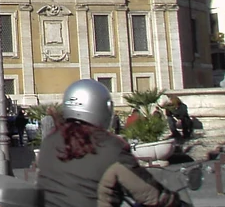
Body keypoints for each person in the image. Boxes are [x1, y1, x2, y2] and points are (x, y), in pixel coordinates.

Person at [37, 79, 180, 207]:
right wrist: (175, 201)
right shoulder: (110, 148)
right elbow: (151, 194)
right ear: (102, 107)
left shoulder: (50, 141)